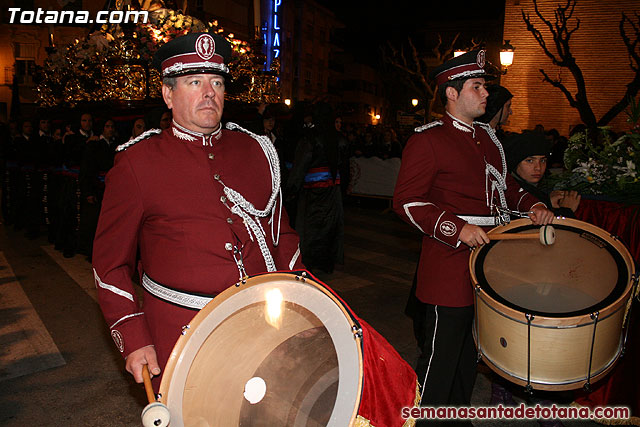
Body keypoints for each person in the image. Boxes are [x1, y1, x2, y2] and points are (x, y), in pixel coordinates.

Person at [92, 32, 303, 389]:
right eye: (194, 82)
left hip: (262, 329)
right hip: (180, 335)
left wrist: (304, 304)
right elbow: (110, 263)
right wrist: (132, 333)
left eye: (216, 82)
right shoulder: (137, 163)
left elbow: (283, 238)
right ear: (167, 94)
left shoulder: (257, 151)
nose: (209, 92)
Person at [392, 50, 554, 420]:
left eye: (484, 86)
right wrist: (457, 228)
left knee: (468, 358)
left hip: (487, 268)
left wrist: (532, 206)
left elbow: (506, 190)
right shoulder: (428, 140)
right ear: (451, 93)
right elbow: (406, 201)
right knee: (439, 361)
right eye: (477, 86)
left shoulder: (488, 139)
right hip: (448, 270)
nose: (485, 94)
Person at [286, 102, 347, 274]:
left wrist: (291, 190)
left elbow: (300, 166)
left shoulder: (311, 139)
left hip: (312, 193)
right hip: (333, 193)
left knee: (310, 229)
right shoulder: (340, 139)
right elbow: (345, 168)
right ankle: (327, 263)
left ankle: (310, 263)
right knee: (330, 227)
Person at [505, 131, 580, 218]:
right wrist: (566, 210)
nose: (538, 167)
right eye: (530, 161)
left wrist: (547, 202)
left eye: (543, 160)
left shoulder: (536, 188)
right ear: (515, 164)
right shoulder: (512, 194)